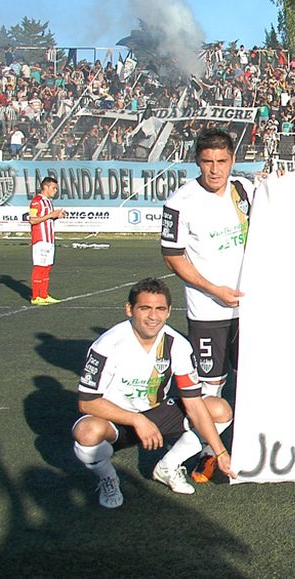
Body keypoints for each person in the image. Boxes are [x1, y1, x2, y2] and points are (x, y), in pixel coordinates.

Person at [72, 278, 235, 508]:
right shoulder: (108, 345)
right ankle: (108, 478)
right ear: (129, 309)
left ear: (168, 311)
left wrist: (220, 452)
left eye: (160, 309)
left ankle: (168, 467)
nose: (153, 316)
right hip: (115, 418)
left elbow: (194, 404)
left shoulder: (177, 344)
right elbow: (87, 403)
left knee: (219, 409)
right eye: (145, 308)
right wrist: (136, 420)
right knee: (87, 433)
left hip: (157, 413)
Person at [161, 128, 251, 404]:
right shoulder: (179, 203)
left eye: (221, 161)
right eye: (208, 162)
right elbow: (172, 256)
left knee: (253, 382)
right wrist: (213, 289)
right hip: (208, 312)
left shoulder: (244, 190)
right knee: (211, 391)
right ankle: (207, 448)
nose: (215, 170)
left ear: (232, 160)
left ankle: (249, 446)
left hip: (250, 309)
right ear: (198, 162)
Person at [28, 176, 66, 305]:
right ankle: (35, 297)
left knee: (47, 267)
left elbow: (46, 219)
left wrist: (56, 217)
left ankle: (44, 295)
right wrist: (51, 215)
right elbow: (32, 220)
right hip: (40, 239)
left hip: (49, 239)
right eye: (53, 188)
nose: (55, 191)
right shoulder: (36, 201)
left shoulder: (48, 201)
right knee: (39, 267)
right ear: (46, 187)